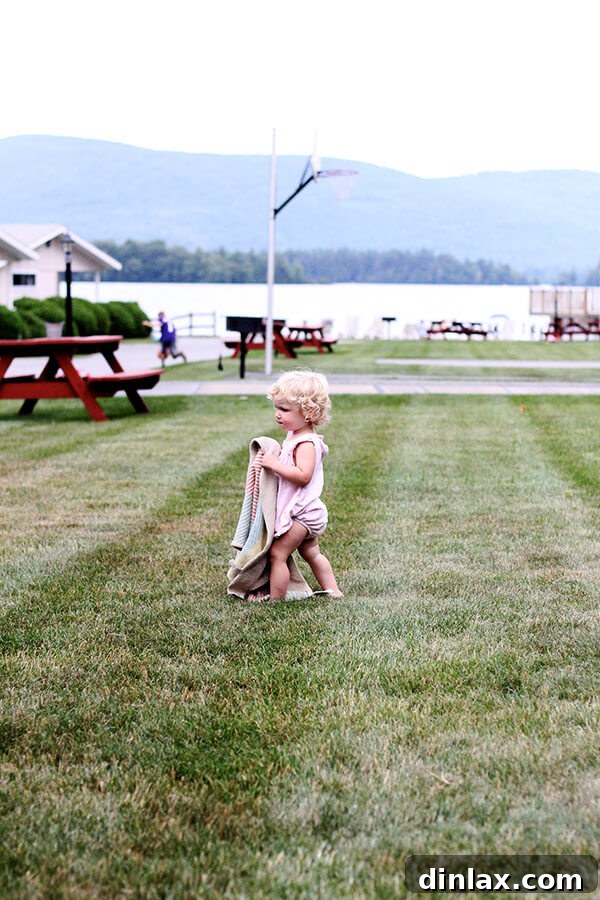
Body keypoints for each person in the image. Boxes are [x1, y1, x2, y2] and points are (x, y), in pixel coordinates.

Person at [258, 370, 343, 600]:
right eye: (276, 408)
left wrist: (274, 464)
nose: (277, 414)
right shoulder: (294, 436)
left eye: (284, 410)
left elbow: (302, 475)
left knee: (278, 553)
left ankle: (276, 600)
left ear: (308, 412)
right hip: (305, 511)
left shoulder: (306, 443)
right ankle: (333, 591)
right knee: (311, 552)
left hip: (303, 514)